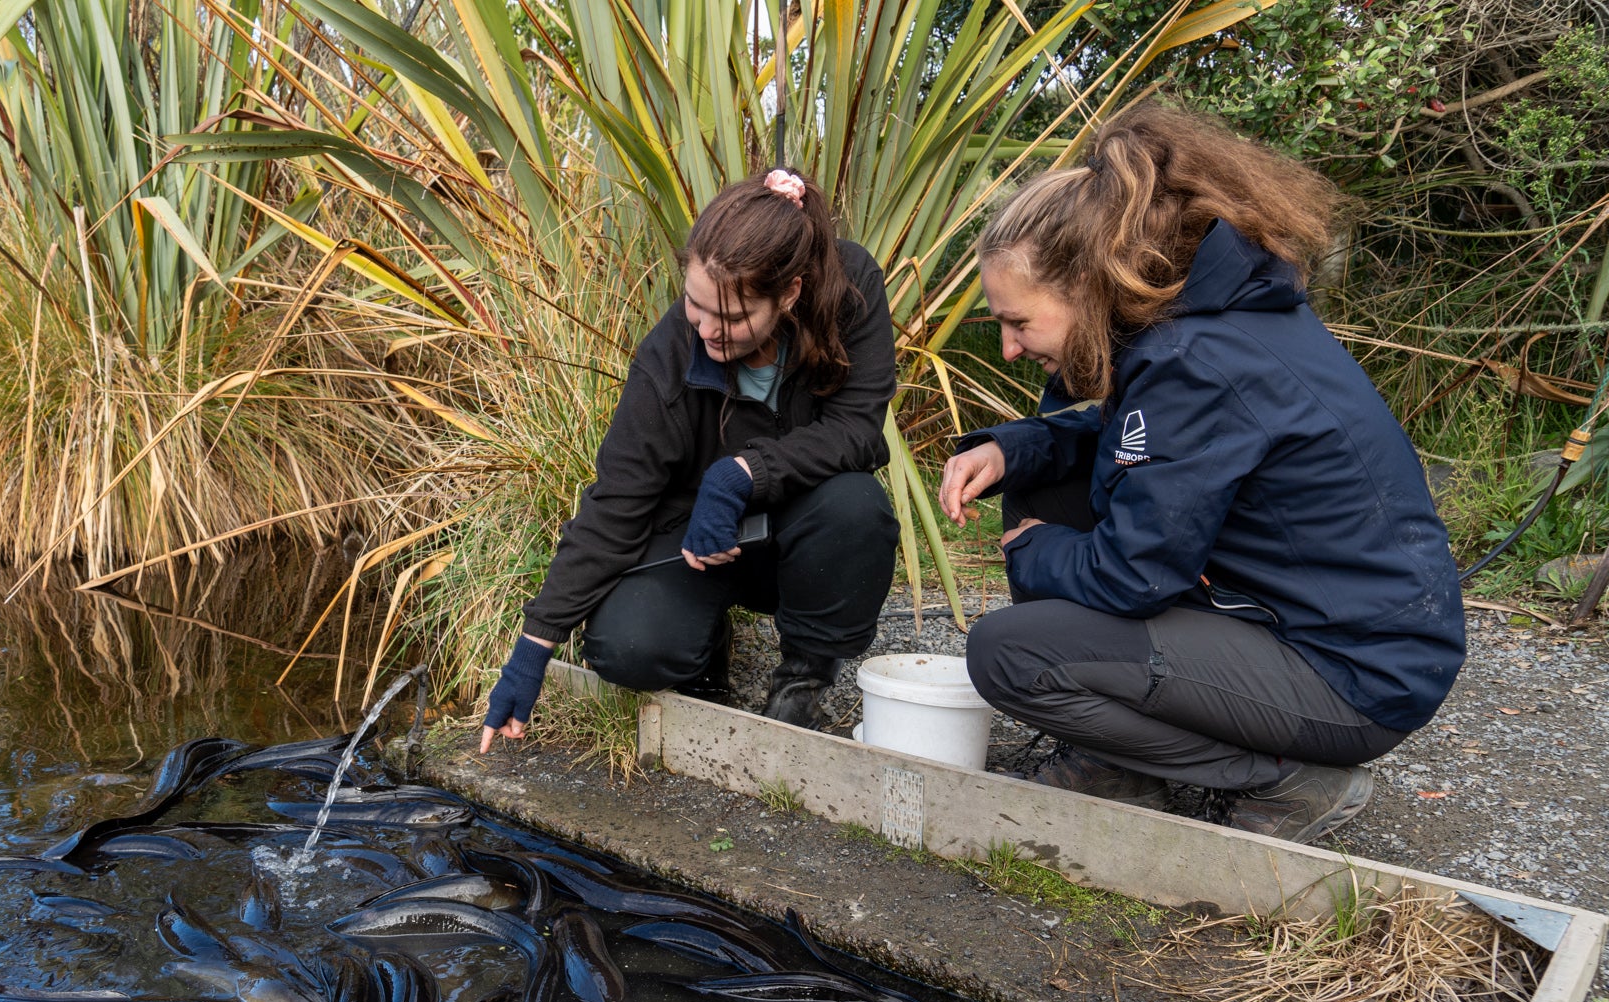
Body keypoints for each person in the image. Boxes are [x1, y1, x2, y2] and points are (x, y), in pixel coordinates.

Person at [940, 105, 1465, 846]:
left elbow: (1131, 576)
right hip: (1331, 627)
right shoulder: (1201, 325)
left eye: (1019, 322)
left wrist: (1031, 549)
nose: (1008, 348)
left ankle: (1287, 776)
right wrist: (1012, 450)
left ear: (1086, 284)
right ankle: (1117, 760)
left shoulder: (1197, 361)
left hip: (1352, 672)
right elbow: (1139, 444)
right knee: (1045, 479)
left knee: (1010, 653)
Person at [480, 169, 901, 752]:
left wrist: (742, 474)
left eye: (731, 319)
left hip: (806, 525)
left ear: (791, 295)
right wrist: (534, 645)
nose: (706, 331)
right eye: (694, 306)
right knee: (629, 649)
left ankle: (799, 687)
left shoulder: (851, 290)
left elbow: (857, 432)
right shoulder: (669, 356)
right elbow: (617, 503)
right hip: (695, 543)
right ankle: (703, 655)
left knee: (856, 508)